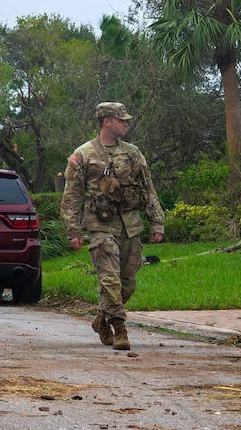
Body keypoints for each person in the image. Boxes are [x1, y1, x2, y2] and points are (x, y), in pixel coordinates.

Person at [61, 101, 164, 352]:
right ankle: (120, 329)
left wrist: (156, 221)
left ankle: (101, 319)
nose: (126, 124)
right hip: (101, 227)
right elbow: (71, 195)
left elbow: (148, 189)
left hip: (130, 226)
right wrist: (73, 229)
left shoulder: (132, 153)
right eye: (121, 120)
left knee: (128, 283)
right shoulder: (83, 154)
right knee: (109, 280)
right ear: (107, 121)